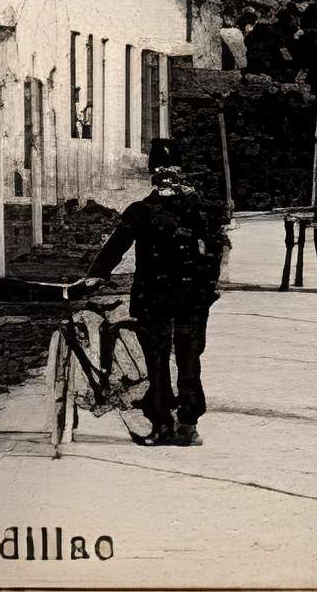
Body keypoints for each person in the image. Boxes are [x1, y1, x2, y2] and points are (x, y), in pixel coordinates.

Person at [83, 137, 233, 445]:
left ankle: (179, 424)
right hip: (174, 297)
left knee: (175, 359)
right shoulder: (159, 209)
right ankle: (173, 424)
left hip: (169, 296)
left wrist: (97, 275)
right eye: (163, 169)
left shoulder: (177, 209)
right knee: (167, 359)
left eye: (169, 168)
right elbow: (117, 245)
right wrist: (97, 274)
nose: (166, 174)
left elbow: (217, 247)